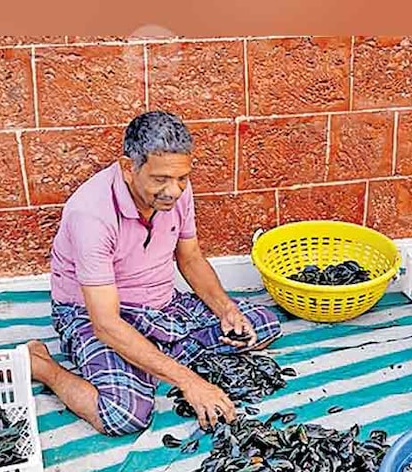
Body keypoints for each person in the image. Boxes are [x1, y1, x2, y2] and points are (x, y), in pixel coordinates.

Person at [28, 111, 282, 436]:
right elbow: (105, 323)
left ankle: (148, 356)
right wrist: (189, 382)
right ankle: (44, 366)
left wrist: (226, 309)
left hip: (161, 306)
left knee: (260, 326)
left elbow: (190, 259)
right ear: (127, 168)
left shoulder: (175, 192)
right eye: (160, 179)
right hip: (96, 316)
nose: (173, 191)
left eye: (182, 178)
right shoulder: (91, 214)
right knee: (124, 414)